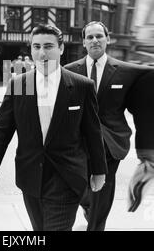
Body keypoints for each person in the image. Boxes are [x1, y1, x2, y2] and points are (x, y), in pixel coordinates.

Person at [0, 24, 107, 231]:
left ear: (61, 48)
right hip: (31, 175)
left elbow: (93, 132)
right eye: (36, 47)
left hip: (67, 176)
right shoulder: (19, 84)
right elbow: (2, 130)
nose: (42, 53)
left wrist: (99, 171)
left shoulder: (81, 85)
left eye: (48, 46)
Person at [65, 21, 149, 231]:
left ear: (107, 39)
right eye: (90, 37)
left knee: (103, 189)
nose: (95, 40)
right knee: (80, 186)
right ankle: (88, 205)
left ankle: (96, 227)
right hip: (78, 143)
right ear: (83, 42)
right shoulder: (68, 71)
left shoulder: (127, 71)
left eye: (99, 36)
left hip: (110, 143)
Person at [126, 69, 154, 211]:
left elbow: (130, 104)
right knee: (150, 165)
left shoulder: (144, 78)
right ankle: (136, 188)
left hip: (143, 137)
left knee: (148, 163)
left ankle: (136, 191)